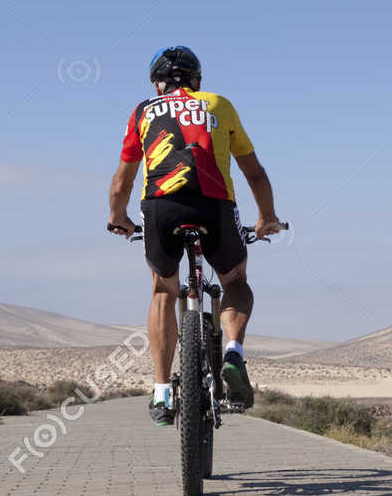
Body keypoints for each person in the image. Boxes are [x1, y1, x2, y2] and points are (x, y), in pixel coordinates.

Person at [107, 46, 282, 424]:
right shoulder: (219, 104)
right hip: (214, 206)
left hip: (159, 208)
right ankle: (233, 352)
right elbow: (255, 173)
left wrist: (118, 217)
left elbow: (123, 179)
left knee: (162, 290)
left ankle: (161, 392)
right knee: (235, 280)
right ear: (198, 81)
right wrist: (267, 217)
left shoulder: (143, 112)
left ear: (156, 85)